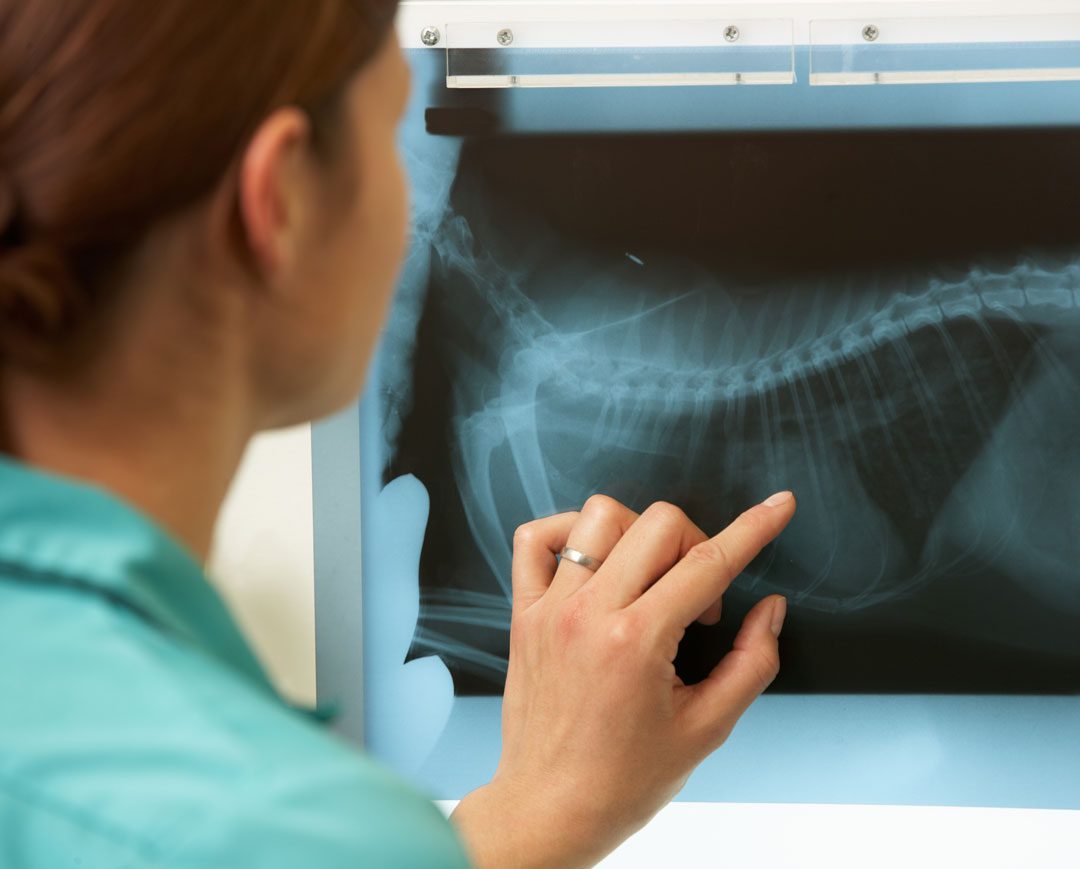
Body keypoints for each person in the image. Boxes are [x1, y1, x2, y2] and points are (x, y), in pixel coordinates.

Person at [0, 2, 795, 866]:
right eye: (394, 138)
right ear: (282, 201)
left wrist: (533, 811)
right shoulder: (270, 826)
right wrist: (539, 807)